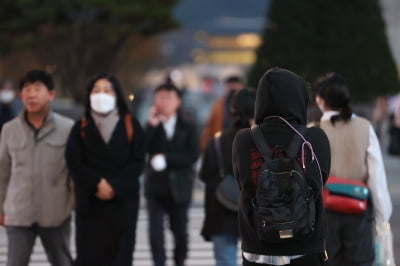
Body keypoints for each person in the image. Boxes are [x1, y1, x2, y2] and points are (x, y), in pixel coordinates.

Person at [232, 68, 331, 265]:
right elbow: (320, 181)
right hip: (306, 249)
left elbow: (243, 183)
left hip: (257, 248)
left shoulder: (244, 139)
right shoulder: (314, 138)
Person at [65, 73, 145, 266]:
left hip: (122, 204)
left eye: (107, 90)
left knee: (120, 256)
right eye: (96, 90)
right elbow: (74, 161)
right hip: (91, 205)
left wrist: (114, 186)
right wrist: (96, 184)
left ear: (117, 95)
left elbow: (138, 161)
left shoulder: (130, 125)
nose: (101, 95)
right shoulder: (81, 127)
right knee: (89, 257)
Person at [314, 73, 392, 266]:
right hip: (359, 208)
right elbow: (376, 175)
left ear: (321, 100)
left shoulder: (314, 130)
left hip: (325, 211)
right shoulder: (365, 127)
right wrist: (383, 218)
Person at [0, 70, 74, 266]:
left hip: (56, 213)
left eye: (37, 89)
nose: (31, 94)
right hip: (19, 213)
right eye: (27, 89)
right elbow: (3, 172)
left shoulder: (67, 129)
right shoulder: (9, 130)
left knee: (62, 262)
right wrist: (1, 207)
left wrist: (71, 204)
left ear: (51, 94)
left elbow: (74, 172)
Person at [144, 83, 199, 266]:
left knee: (180, 233)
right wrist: (151, 127)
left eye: (168, 97)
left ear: (177, 101)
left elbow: (192, 155)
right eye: (160, 97)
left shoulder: (188, 126)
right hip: (155, 188)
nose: (163, 102)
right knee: (155, 234)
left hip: (180, 187)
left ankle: (179, 261)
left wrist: (167, 159)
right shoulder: (151, 125)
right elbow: (141, 149)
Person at [200, 88, 256, 266]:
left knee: (225, 260)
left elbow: (205, 175)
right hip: (255, 212)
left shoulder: (217, 140)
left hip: (221, 209)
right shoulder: (259, 140)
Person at [200, 76, 244, 151]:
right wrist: (205, 146)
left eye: (235, 84)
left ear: (241, 86)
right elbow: (211, 125)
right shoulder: (219, 104)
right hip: (222, 144)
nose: (232, 88)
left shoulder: (246, 103)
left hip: (241, 144)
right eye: (230, 85)